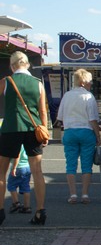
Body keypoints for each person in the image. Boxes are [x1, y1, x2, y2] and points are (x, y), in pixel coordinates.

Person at [0, 51, 48, 225]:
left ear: (12, 66)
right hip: (33, 129)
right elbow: (43, 110)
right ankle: (40, 211)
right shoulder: (38, 84)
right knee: (37, 171)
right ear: (27, 64)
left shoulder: (6, 81)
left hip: (11, 128)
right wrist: (44, 130)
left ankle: (0, 211)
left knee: (1, 172)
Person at [57, 69, 101, 204]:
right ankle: (85, 194)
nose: (91, 84)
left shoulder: (67, 95)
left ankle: (73, 194)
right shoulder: (89, 96)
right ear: (83, 82)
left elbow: (60, 117)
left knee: (70, 164)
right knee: (86, 165)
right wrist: (98, 135)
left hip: (70, 131)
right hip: (86, 132)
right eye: (89, 81)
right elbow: (92, 119)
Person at [8, 146, 31, 214]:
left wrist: (14, 168)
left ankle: (16, 203)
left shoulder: (18, 144)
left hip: (19, 167)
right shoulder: (25, 144)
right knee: (26, 187)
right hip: (27, 166)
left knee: (11, 185)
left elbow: (17, 156)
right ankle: (27, 207)